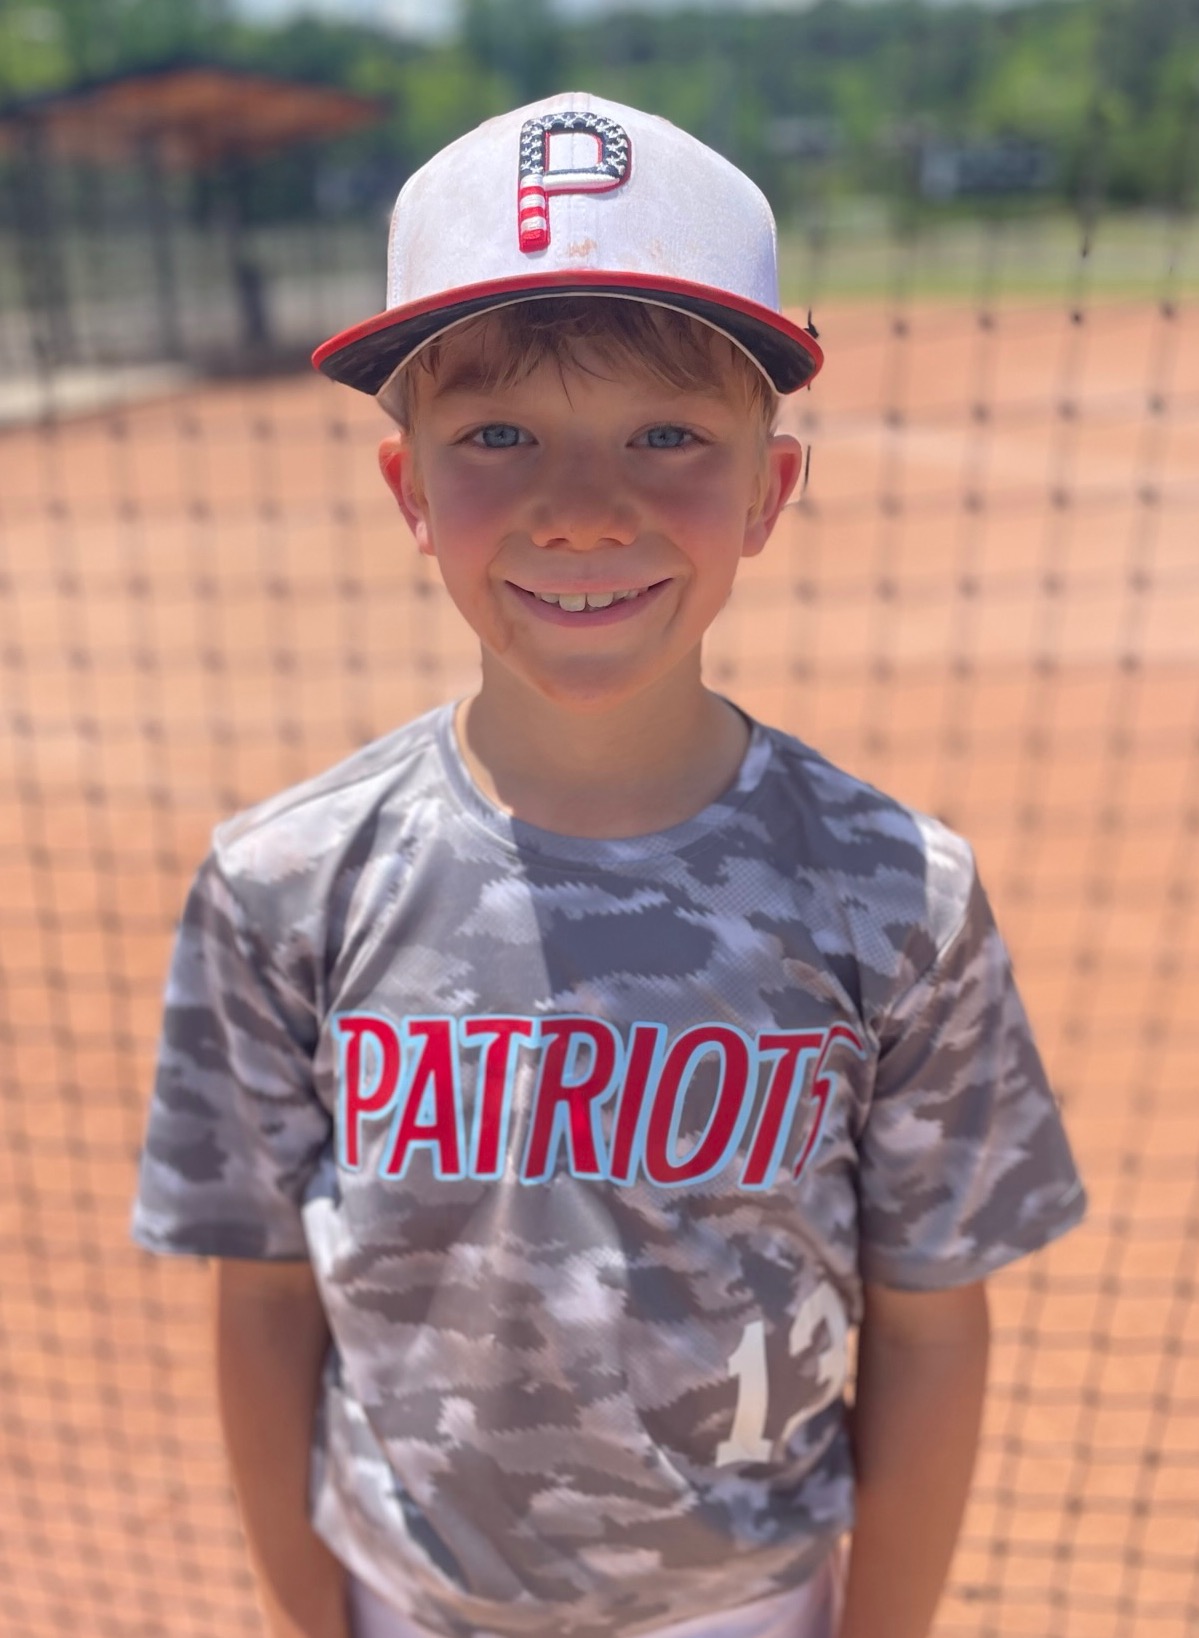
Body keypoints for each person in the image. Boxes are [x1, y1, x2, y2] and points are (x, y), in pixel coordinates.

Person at [131, 92, 1086, 1638]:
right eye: (498, 436)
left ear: (768, 490)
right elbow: (262, 1294)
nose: (583, 509)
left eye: (668, 434)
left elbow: (931, 1322)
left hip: (747, 1611)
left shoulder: (897, 896)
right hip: (404, 1601)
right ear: (411, 491)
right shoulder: (284, 883)